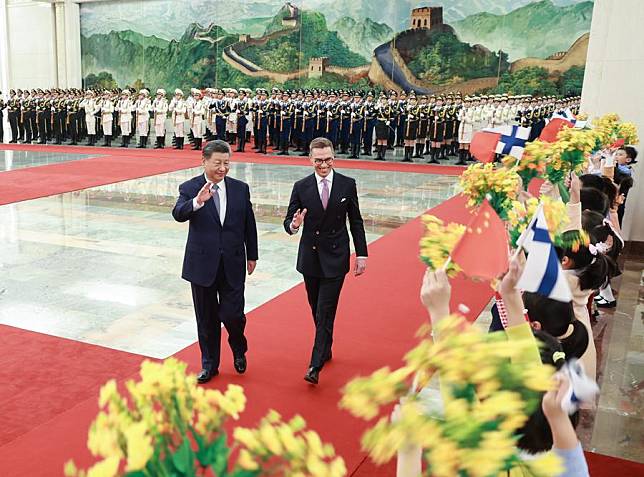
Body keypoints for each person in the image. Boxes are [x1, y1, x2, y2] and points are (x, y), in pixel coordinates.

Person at [283, 137, 368, 385]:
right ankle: (326, 346)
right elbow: (290, 219)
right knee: (316, 309)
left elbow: (356, 221)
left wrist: (361, 254)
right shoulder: (301, 186)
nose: (324, 165)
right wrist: (293, 225)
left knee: (325, 310)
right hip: (310, 257)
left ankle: (315, 364)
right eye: (319, 160)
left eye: (328, 159)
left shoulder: (346, 184)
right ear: (310, 160)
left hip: (336, 256)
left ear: (333, 157)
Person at [172, 140, 258, 383]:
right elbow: (178, 213)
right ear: (204, 161)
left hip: (233, 262)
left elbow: (248, 224)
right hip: (201, 265)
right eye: (217, 163)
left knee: (233, 314)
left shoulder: (240, 189)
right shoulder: (190, 187)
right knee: (206, 319)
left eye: (226, 163)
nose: (223, 168)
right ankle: (210, 365)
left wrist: (252, 254)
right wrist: (197, 202)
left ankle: (238, 346)